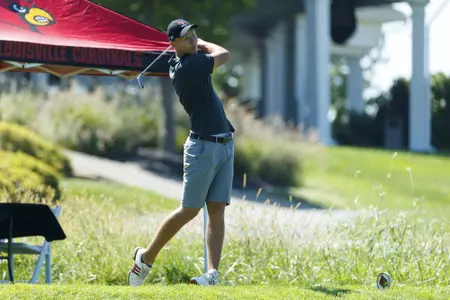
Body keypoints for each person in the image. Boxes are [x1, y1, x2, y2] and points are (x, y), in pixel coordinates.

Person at [127, 19, 235, 287]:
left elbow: (205, 52)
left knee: (217, 209)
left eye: (195, 35)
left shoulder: (185, 60)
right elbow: (224, 53)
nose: (194, 41)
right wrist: (204, 43)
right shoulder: (190, 66)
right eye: (188, 38)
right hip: (203, 147)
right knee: (189, 210)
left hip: (222, 144)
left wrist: (194, 43)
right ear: (173, 44)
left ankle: (212, 274)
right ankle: (145, 259)